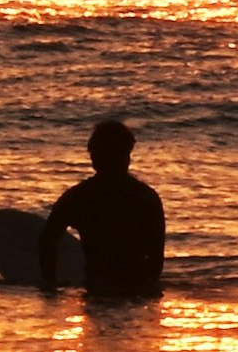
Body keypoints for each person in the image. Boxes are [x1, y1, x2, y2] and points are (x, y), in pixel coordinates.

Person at [38, 117, 165, 299]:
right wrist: (150, 286)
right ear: (127, 156)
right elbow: (156, 256)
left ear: (94, 157)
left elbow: (47, 241)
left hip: (97, 288)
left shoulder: (79, 197)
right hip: (139, 289)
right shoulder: (146, 197)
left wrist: (50, 284)